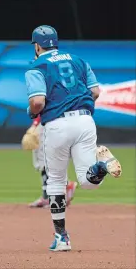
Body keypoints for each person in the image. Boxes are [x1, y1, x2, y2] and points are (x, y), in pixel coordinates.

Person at [25, 25, 122, 252]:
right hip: (85, 122)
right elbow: (96, 92)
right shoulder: (78, 60)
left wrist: (32, 112)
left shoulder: (36, 66)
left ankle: (62, 238)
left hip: (57, 125)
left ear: (37, 45)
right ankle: (101, 166)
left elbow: (38, 101)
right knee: (88, 182)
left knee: (56, 181)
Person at [28, 115, 78, 208]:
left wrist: (35, 124)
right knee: (52, 159)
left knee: (44, 161)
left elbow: (41, 103)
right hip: (60, 122)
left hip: (47, 122)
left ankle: (62, 189)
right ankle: (50, 196)